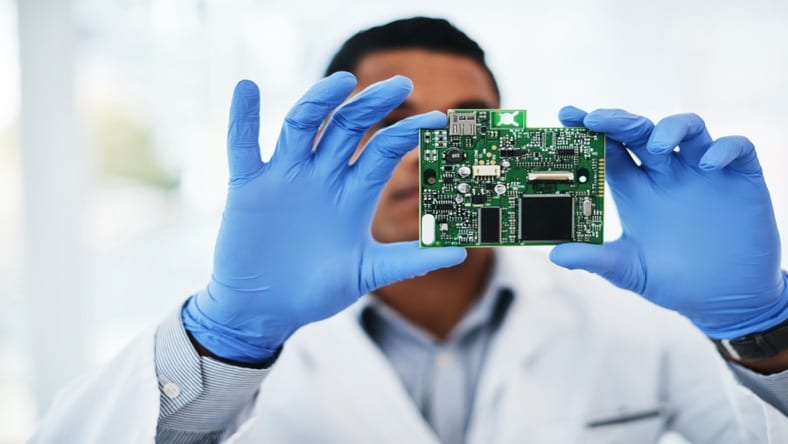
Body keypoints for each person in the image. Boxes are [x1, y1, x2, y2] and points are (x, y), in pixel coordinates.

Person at [32, 17, 788, 443]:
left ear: (509, 148)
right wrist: (224, 340)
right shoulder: (251, 327)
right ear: (327, 142)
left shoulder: (644, 327)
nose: (430, 155)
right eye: (390, 122)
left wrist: (765, 331)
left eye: (466, 126)